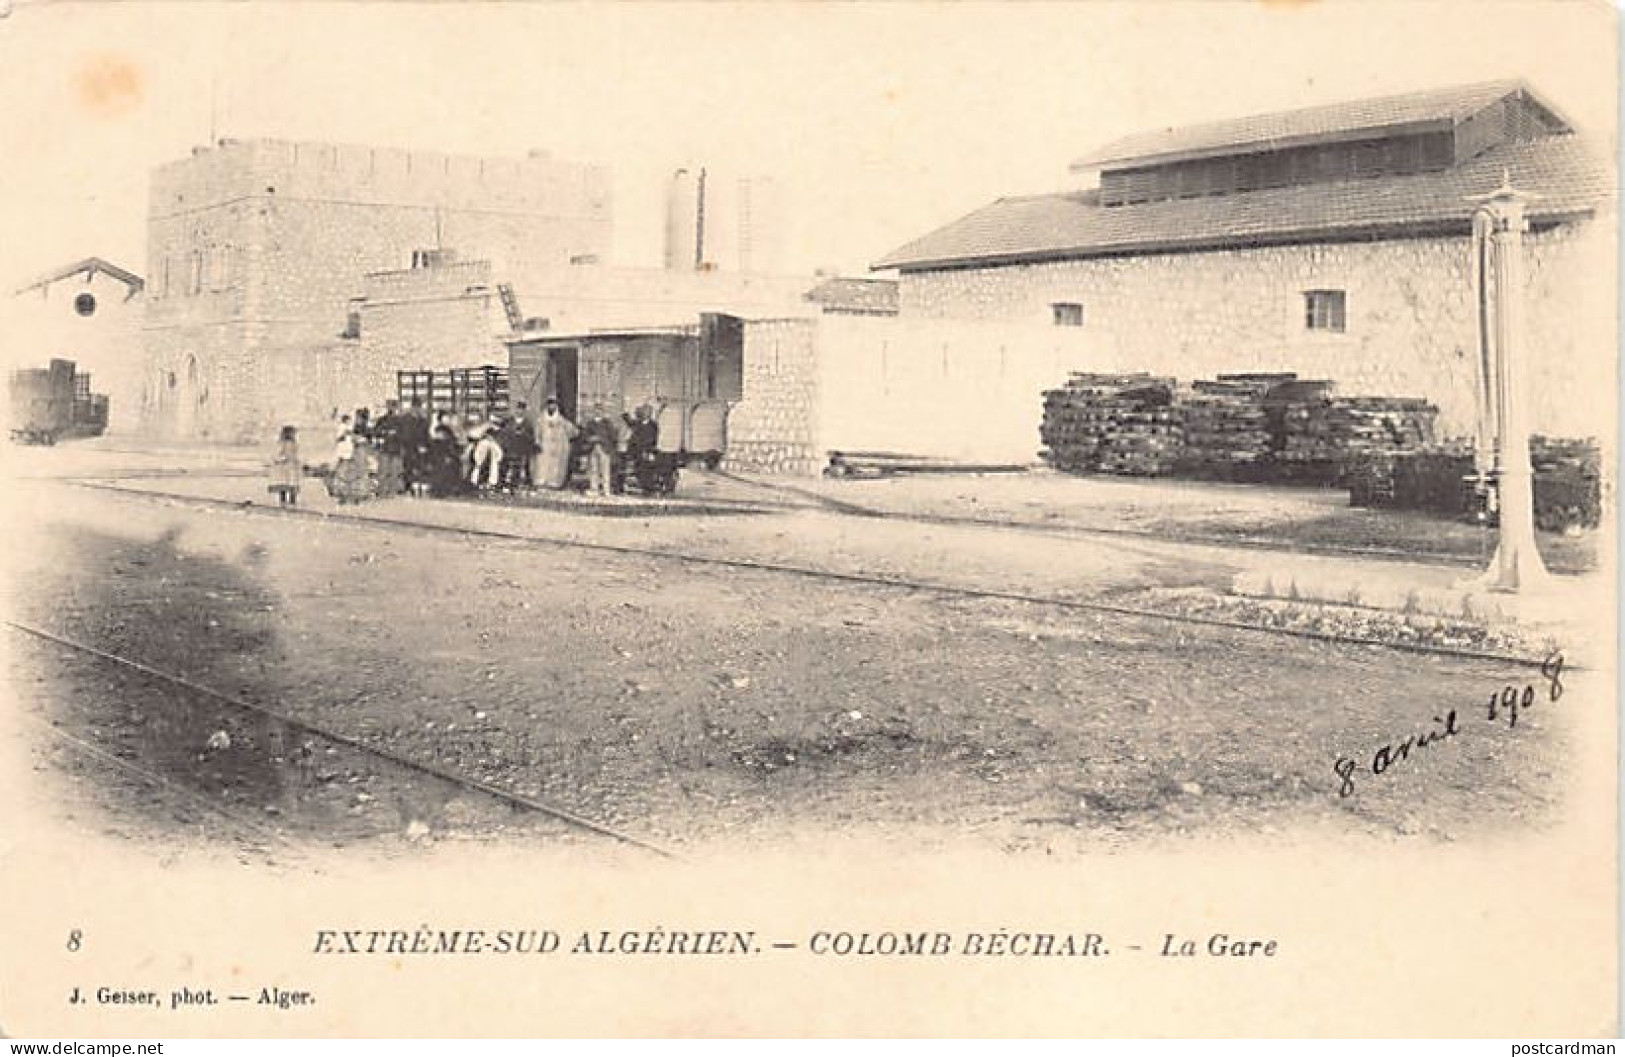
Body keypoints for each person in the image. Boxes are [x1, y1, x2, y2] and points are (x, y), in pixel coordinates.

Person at [534, 397, 579, 490]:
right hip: (544, 446)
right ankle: (541, 482)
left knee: (556, 466)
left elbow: (574, 432)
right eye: (550, 404)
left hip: (557, 447)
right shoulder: (541, 420)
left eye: (553, 404)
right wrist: (537, 442)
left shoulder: (562, 420)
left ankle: (554, 483)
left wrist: (564, 439)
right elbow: (537, 432)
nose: (551, 406)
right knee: (542, 465)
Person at [328, 414, 371, 505]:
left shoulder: (350, 429)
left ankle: (350, 494)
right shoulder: (344, 428)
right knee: (346, 475)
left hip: (350, 454)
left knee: (350, 475)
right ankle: (346, 494)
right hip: (346, 455)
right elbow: (341, 438)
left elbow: (353, 439)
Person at [582, 405, 621, 497]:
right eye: (596, 410)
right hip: (593, 448)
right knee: (593, 469)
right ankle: (594, 489)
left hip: (605, 448)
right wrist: (590, 439)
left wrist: (601, 438)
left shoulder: (607, 423)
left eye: (600, 411)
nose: (598, 412)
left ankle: (606, 489)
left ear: (603, 412)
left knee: (605, 470)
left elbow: (613, 437)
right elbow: (585, 435)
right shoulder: (590, 423)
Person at [372, 399, 406, 496]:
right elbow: (375, 432)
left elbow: (404, 435)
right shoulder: (382, 420)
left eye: (393, 406)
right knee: (384, 471)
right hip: (387, 448)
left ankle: (391, 491)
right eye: (390, 406)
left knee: (393, 472)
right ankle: (383, 490)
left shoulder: (399, 421)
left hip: (394, 448)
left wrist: (393, 434)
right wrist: (385, 433)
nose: (392, 408)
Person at [400, 398, 432, 497]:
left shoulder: (423, 420)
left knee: (419, 467)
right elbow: (404, 434)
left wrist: (425, 446)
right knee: (408, 467)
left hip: (420, 448)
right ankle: (408, 487)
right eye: (416, 407)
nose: (418, 409)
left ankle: (417, 488)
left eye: (419, 407)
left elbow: (426, 435)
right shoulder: (405, 419)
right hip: (409, 447)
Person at [267, 425, 302, 506]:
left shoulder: (293, 443)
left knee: (290, 484)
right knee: (285, 484)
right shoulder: (282, 443)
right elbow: (278, 453)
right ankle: (285, 502)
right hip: (285, 466)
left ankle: (291, 502)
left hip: (290, 465)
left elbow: (294, 453)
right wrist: (282, 459)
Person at [467, 417, 505, 492]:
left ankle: (492, 482)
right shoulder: (483, 429)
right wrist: (485, 429)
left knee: (494, 459)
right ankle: (474, 480)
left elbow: (499, 452)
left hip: (494, 452)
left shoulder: (500, 433)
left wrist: (492, 440)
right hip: (481, 452)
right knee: (483, 446)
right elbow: (472, 435)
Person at [509, 401, 538, 489]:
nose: (519, 411)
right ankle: (513, 482)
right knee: (513, 465)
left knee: (525, 465)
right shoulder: (511, 421)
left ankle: (527, 482)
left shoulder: (528, 423)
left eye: (522, 410)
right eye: (518, 409)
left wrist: (524, 433)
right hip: (513, 446)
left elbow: (531, 436)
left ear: (524, 411)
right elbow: (507, 432)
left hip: (523, 447)